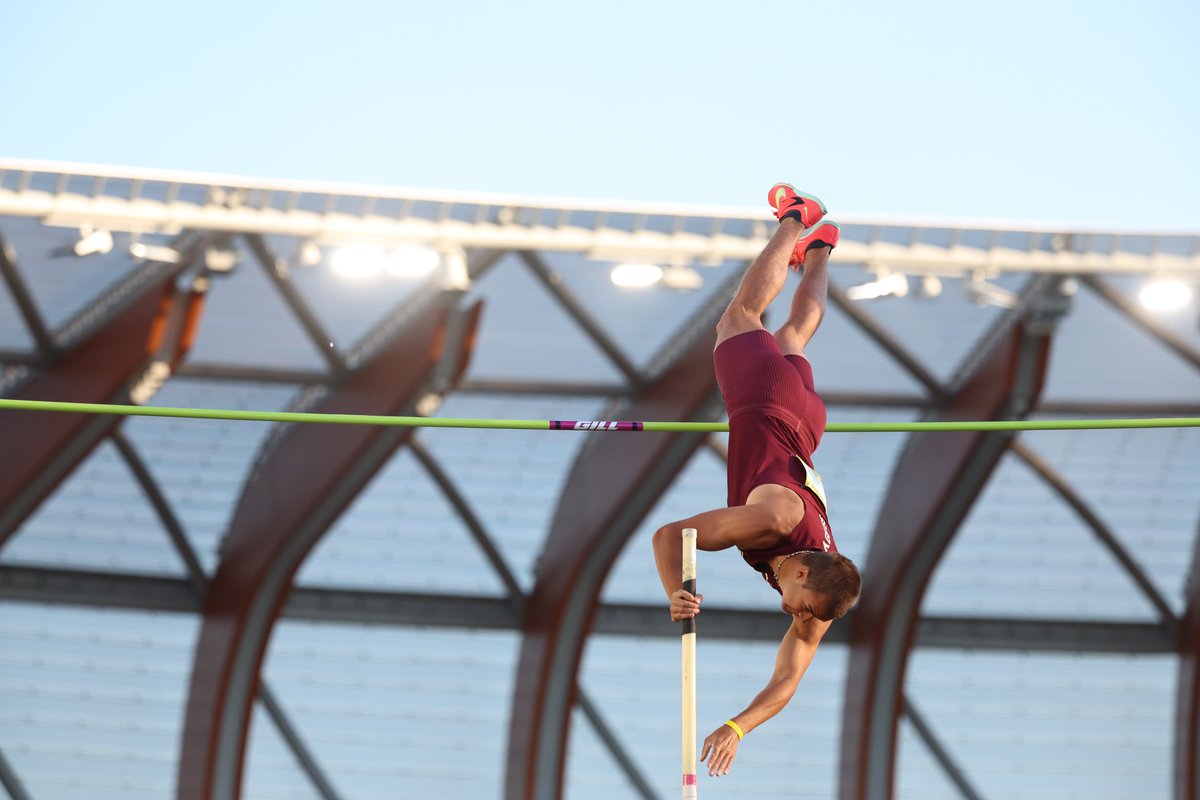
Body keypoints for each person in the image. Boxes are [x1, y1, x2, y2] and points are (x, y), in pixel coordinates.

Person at [651, 183, 862, 779]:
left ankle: (819, 250)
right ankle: (796, 218)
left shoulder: (824, 589)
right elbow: (671, 535)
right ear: (802, 573)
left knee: (792, 337)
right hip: (766, 404)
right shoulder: (773, 522)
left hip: (805, 425)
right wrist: (673, 590)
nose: (798, 616)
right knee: (741, 317)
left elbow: (788, 679)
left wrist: (738, 726)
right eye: (802, 607)